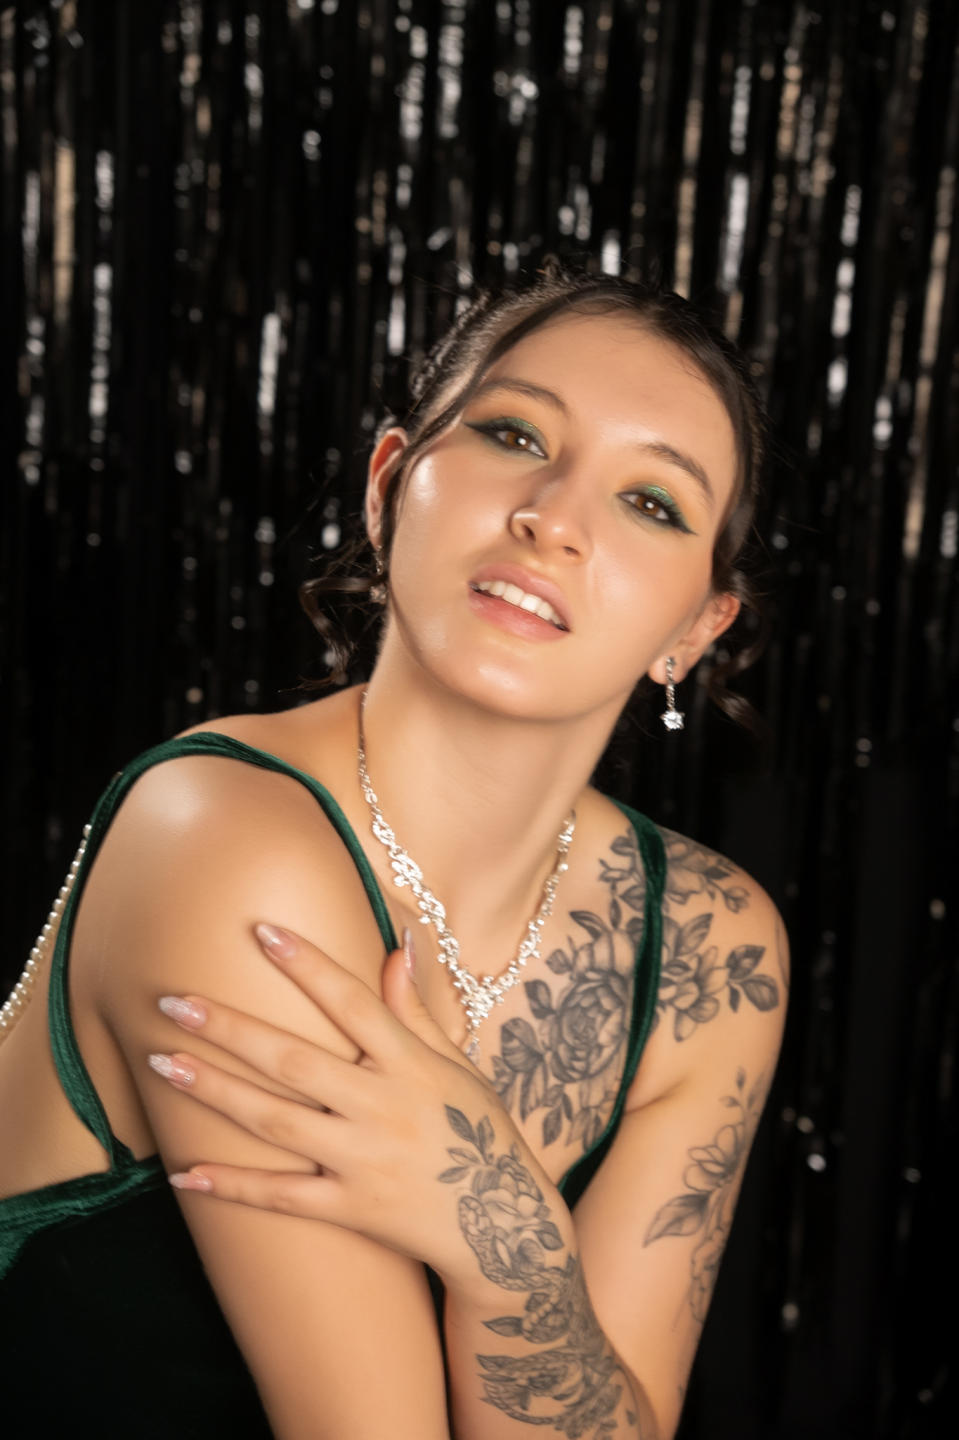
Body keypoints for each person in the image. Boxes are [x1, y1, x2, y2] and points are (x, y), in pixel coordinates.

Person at [0, 260, 788, 1439]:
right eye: (514, 435)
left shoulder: (708, 952)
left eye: (650, 501)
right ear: (387, 487)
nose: (554, 518)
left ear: (693, 627)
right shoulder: (219, 837)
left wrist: (514, 1250)